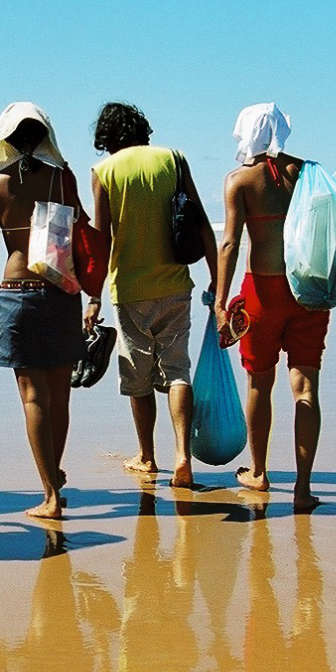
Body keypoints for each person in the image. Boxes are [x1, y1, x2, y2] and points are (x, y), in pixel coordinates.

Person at [85, 102, 218, 487]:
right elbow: (201, 224)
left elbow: (101, 240)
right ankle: (182, 457)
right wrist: (216, 280)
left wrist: (93, 297)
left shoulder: (103, 172)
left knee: (138, 379)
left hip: (129, 291)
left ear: (107, 137)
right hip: (176, 284)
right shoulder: (174, 159)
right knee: (178, 372)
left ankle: (147, 456)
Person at [0, 103, 85, 520]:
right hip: (60, 289)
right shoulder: (62, 179)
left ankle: (50, 493)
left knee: (33, 396)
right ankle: (53, 476)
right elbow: (81, 230)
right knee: (60, 394)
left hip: (17, 290)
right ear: (44, 137)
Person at [215, 103, 327, 513]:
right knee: (306, 387)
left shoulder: (240, 181)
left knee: (260, 383)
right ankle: (302, 487)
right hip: (309, 292)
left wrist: (221, 301)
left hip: (261, 292)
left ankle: (260, 472)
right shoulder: (310, 174)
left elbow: (229, 243)